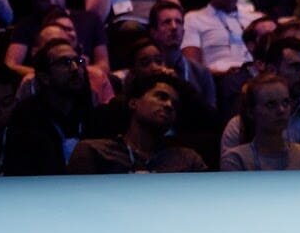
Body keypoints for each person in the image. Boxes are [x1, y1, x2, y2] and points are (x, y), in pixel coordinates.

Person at [66, 71, 207, 174]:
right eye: (161, 97)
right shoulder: (94, 152)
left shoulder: (187, 160)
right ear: (133, 103)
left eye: (175, 104)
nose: (169, 105)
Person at [221, 72, 300, 171]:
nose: (281, 110)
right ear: (251, 112)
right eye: (271, 104)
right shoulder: (236, 160)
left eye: (285, 102)